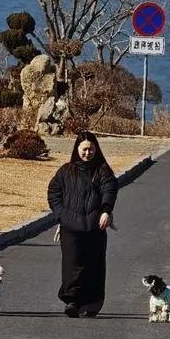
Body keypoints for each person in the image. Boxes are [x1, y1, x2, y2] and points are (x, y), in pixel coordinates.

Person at [47, 132, 118, 317]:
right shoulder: (65, 171)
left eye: (91, 149)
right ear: (77, 149)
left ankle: (92, 303)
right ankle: (72, 301)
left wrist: (106, 210)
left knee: (94, 265)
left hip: (95, 227)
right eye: (84, 149)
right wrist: (61, 215)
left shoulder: (102, 170)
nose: (88, 153)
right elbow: (54, 193)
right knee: (72, 265)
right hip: (71, 227)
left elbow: (109, 190)